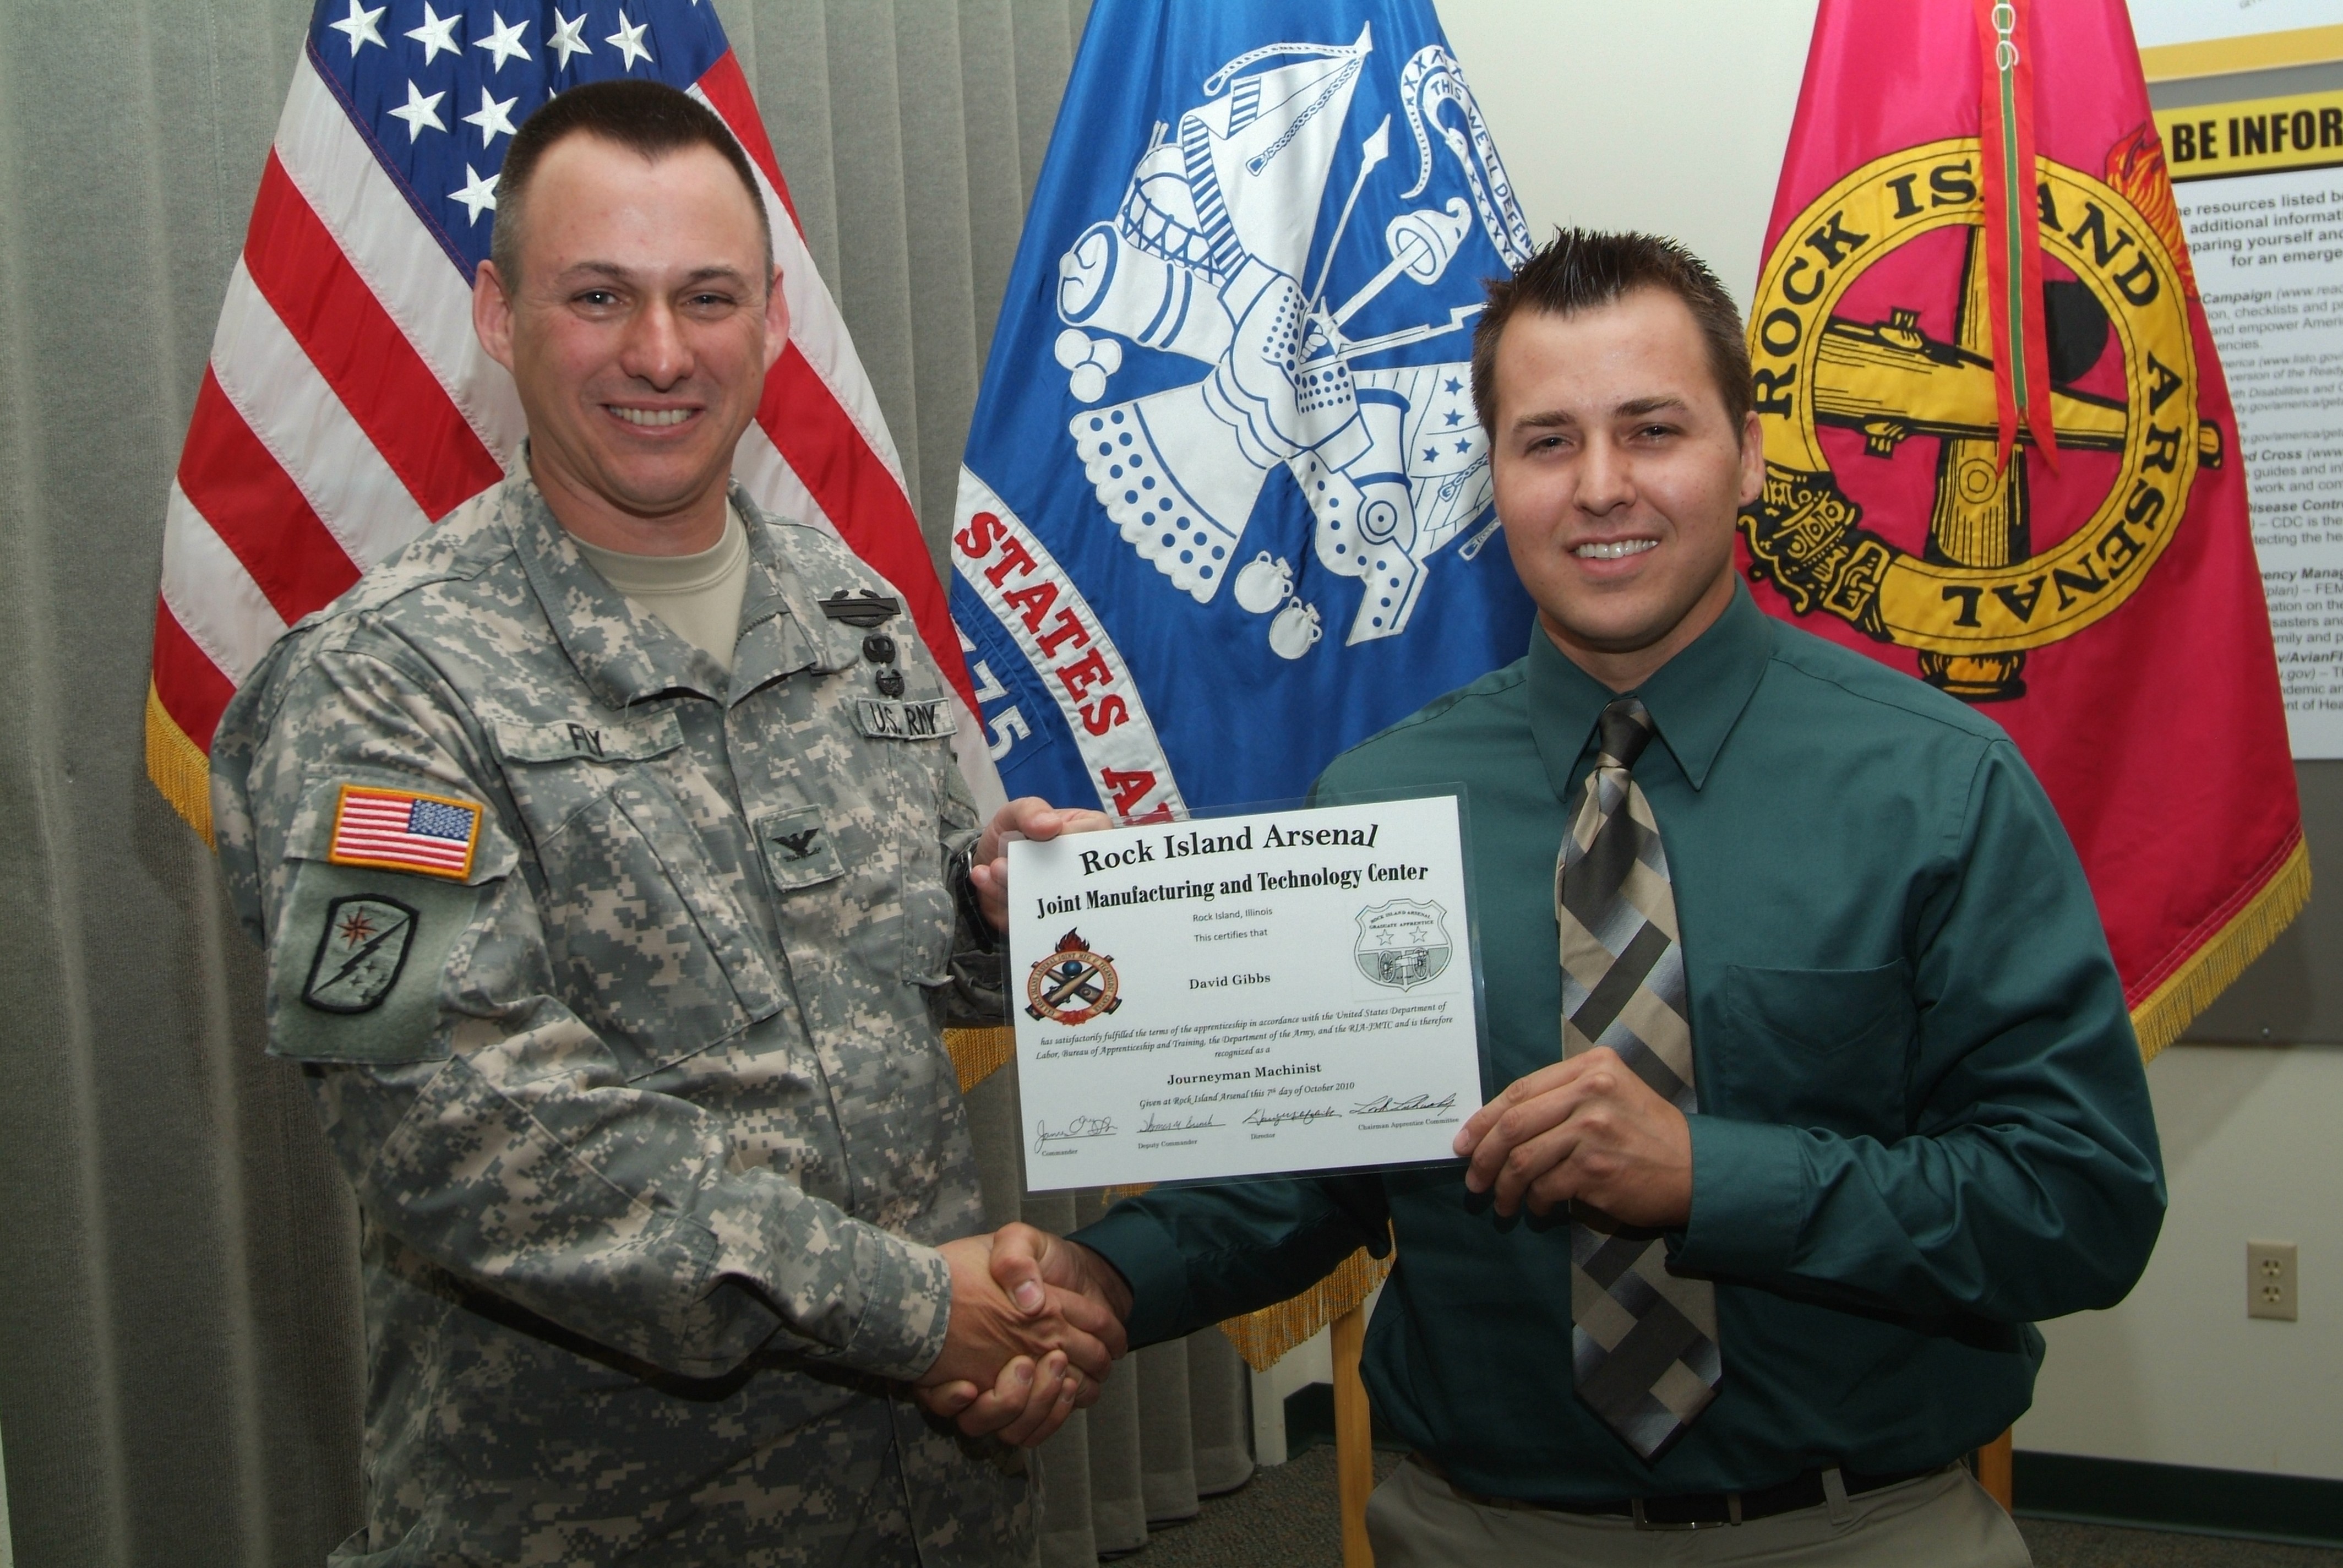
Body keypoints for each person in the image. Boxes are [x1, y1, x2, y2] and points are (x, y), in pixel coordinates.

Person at [963, 231, 2167, 1565]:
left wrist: (1707, 1173)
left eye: (1652, 428)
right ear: (1493, 476)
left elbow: (2077, 1198)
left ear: (1750, 454)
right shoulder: (1378, 799)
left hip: (1858, 1526)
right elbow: (1312, 1176)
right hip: (1476, 1530)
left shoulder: (1937, 787)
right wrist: (1105, 1277)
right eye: (1546, 442)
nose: (1602, 487)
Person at [211, 80, 1115, 1566]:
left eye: (708, 298)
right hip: (609, 1519)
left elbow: (877, 973)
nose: (659, 352)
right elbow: (446, 1128)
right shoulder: (371, 692)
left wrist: (992, 914)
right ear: (500, 316)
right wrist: (916, 1310)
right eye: (598, 296)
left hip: (933, 1497)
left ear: (771, 323)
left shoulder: (853, 614)